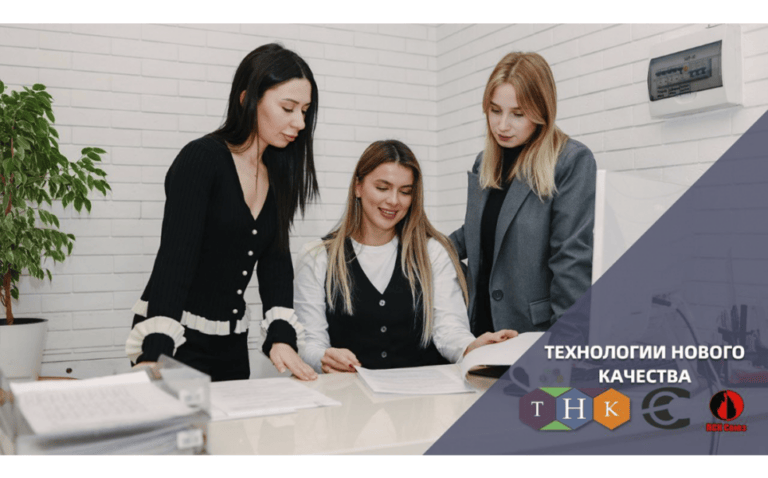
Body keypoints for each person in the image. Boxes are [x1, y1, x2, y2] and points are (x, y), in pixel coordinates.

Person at [125, 44, 319, 382]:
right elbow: (175, 259)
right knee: (187, 419)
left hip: (231, 341)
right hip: (175, 337)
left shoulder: (277, 173)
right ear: (247, 99)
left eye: (304, 111)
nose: (300, 122)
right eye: (288, 108)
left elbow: (275, 262)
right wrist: (155, 352)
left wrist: (281, 337)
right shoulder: (201, 159)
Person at [294, 140, 516, 374]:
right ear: (358, 187)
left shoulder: (432, 252)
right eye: (382, 188)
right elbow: (311, 343)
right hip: (350, 393)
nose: (394, 200)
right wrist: (323, 357)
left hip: (423, 392)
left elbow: (449, 329)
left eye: (405, 191)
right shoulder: (316, 256)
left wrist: (471, 348)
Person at [450, 51, 596, 337]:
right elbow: (479, 233)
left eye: (517, 114)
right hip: (482, 330)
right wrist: (419, 245)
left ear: (542, 111)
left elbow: (571, 259)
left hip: (534, 332)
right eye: (495, 111)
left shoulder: (570, 161)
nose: (502, 125)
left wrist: (566, 343)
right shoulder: (485, 162)